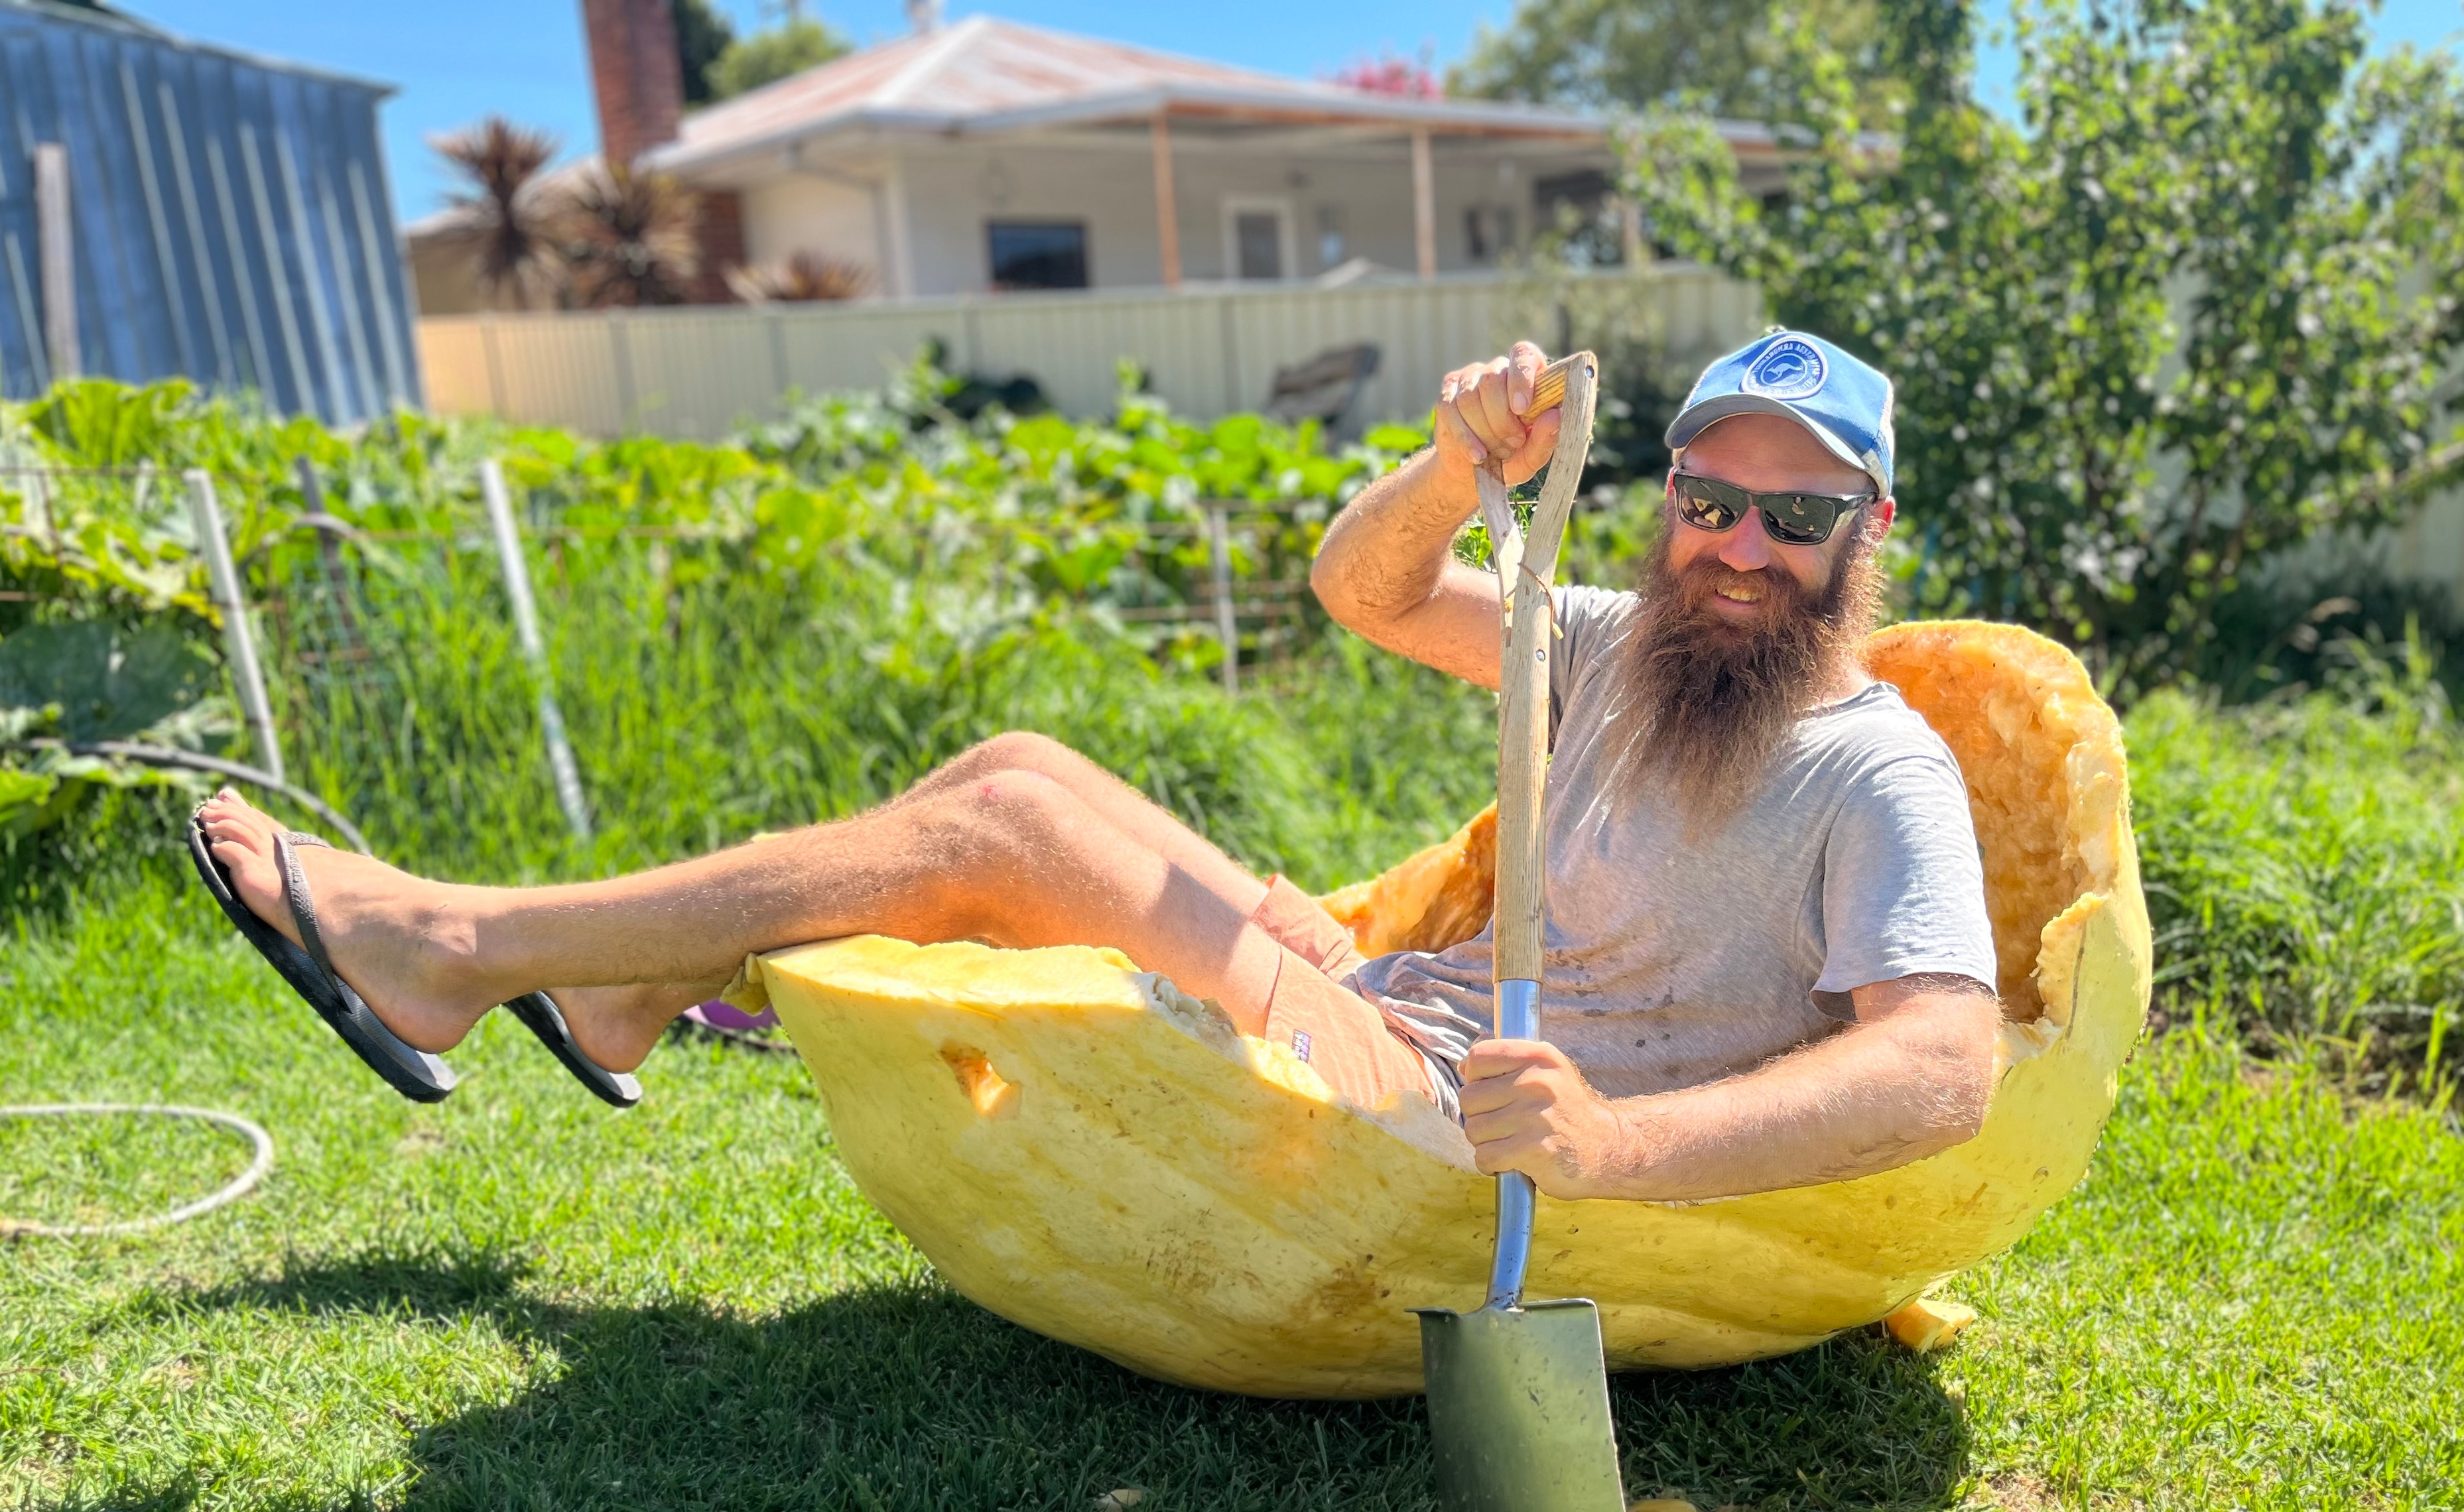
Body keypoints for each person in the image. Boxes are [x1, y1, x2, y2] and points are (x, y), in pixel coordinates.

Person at [191, 330, 1998, 1204]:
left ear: (1870, 533)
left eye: (1795, 516)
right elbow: (1367, 590)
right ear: (1666, 496)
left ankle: (457, 949)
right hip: (1397, 1011)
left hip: (1468, 1131)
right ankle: (627, 995)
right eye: (1709, 500)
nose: (1738, 547)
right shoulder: (1601, 639)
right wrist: (1458, 471)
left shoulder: (1877, 776)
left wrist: (1608, 1144)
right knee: (1019, 761)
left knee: (1008, 829)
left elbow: (1942, 1067)